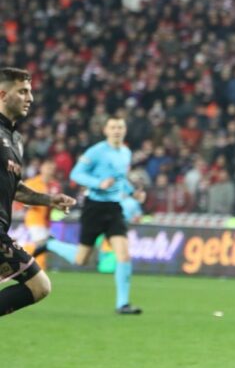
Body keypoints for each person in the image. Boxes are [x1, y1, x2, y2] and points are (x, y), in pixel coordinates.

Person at [33, 116, 144, 314]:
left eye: (120, 127)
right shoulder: (96, 151)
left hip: (115, 208)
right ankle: (50, 244)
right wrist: (98, 183)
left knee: (124, 254)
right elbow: (76, 174)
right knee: (81, 259)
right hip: (95, 208)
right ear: (106, 131)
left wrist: (132, 192)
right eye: (113, 127)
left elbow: (121, 179)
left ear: (125, 130)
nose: (117, 131)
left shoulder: (126, 152)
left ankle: (123, 304)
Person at [0, 67, 76, 316]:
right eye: (22, 92)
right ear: (2, 94)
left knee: (39, 286)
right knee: (39, 285)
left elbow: (14, 188)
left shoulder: (16, 140)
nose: (30, 98)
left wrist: (49, 199)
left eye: (30, 92)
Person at [21, 159, 59, 268]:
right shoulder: (32, 183)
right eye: (48, 168)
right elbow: (24, 201)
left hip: (47, 221)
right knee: (41, 244)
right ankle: (38, 268)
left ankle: (29, 265)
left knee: (41, 245)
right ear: (41, 168)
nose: (50, 171)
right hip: (35, 219)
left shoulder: (55, 185)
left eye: (52, 169)